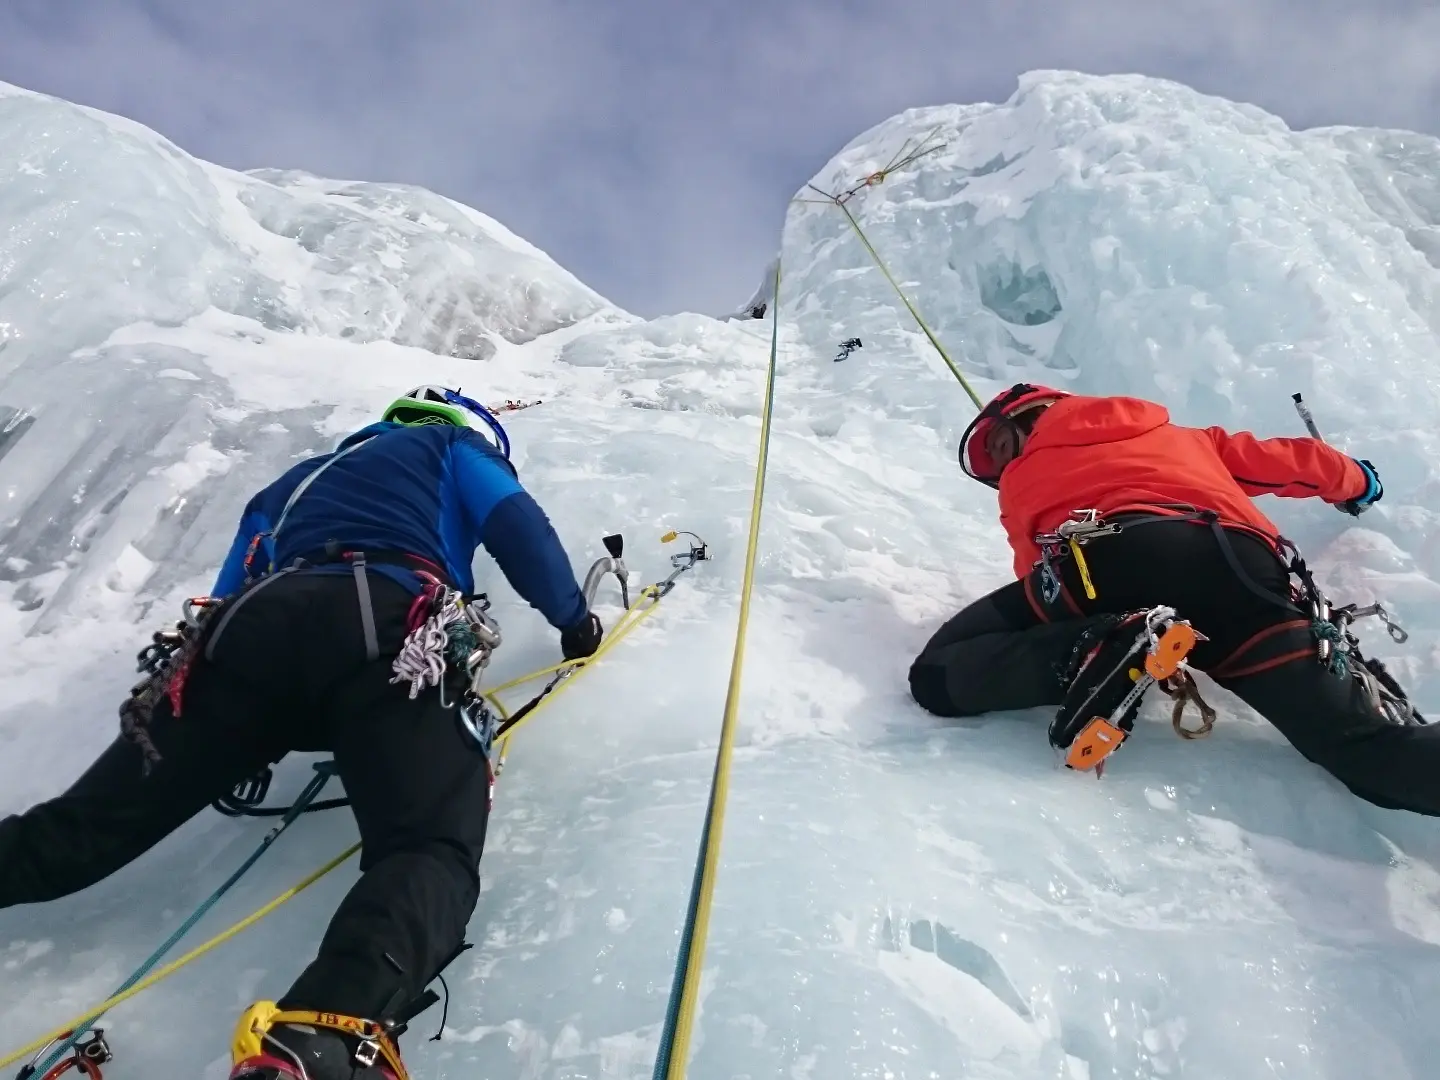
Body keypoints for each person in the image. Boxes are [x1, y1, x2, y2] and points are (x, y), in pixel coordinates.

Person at [0, 385, 606, 1079]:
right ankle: (327, 1031)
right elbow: (515, 523)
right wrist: (571, 619)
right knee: (427, 842)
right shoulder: (450, 446)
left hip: (248, 636)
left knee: (81, 829)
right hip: (385, 624)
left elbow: (231, 582)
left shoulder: (299, 479)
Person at [907, 383, 1440, 815]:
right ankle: (1123, 638)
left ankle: (1110, 642)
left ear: (1030, 416)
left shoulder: (1022, 478)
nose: (1004, 464)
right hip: (1244, 572)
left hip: (1108, 563)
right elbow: (1283, 460)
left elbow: (1033, 568)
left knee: (938, 672)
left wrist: (1081, 631)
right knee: (1363, 748)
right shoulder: (1177, 436)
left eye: (1001, 446)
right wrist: (1356, 482)